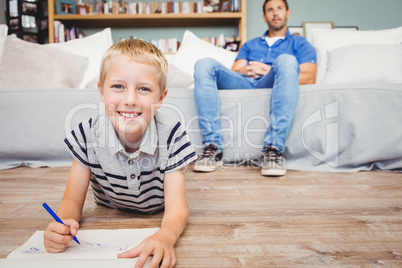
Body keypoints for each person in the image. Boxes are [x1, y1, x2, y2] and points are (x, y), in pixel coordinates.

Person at [43, 39, 197, 268]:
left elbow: (177, 209)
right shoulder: (87, 134)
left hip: (157, 210)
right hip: (109, 208)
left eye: (144, 89)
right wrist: (63, 224)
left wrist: (165, 236)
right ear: (101, 91)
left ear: (161, 98)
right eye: (118, 87)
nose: (130, 100)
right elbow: (72, 200)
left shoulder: (172, 135)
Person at [193, 0, 317, 176]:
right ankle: (212, 147)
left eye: (279, 9)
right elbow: (235, 70)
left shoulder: (300, 44)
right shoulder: (250, 44)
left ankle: (273, 150)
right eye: (270, 10)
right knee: (203, 63)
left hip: (273, 80)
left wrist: (270, 70)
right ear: (264, 16)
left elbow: (309, 77)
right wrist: (247, 69)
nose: (275, 13)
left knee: (287, 60)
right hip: (245, 81)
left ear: (288, 13)